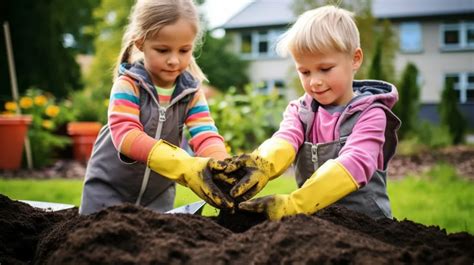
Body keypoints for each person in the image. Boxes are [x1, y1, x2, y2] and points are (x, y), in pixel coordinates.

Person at [220, 5, 401, 220]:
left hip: (367, 223)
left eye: (325, 69)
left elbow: (356, 162)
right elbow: (284, 140)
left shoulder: (371, 114)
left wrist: (296, 204)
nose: (314, 81)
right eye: (304, 72)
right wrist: (261, 165)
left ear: (355, 59)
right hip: (318, 222)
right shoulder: (300, 112)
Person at [79, 0, 234, 215]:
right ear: (141, 43)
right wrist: (181, 164)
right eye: (163, 50)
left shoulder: (191, 93)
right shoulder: (129, 85)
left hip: (158, 198)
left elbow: (205, 133)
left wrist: (221, 166)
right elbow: (126, 135)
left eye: (184, 50)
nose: (174, 60)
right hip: (108, 193)